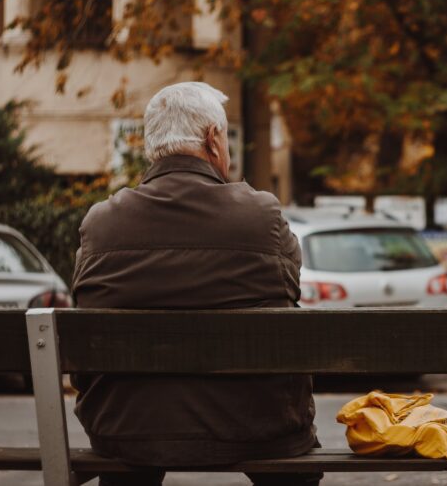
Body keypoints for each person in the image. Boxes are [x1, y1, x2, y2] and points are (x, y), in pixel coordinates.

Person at [71, 82, 320, 486]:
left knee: (135, 433)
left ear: (152, 147)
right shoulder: (262, 217)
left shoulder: (101, 224)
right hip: (256, 425)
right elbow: (289, 290)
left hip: (127, 429)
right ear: (213, 139)